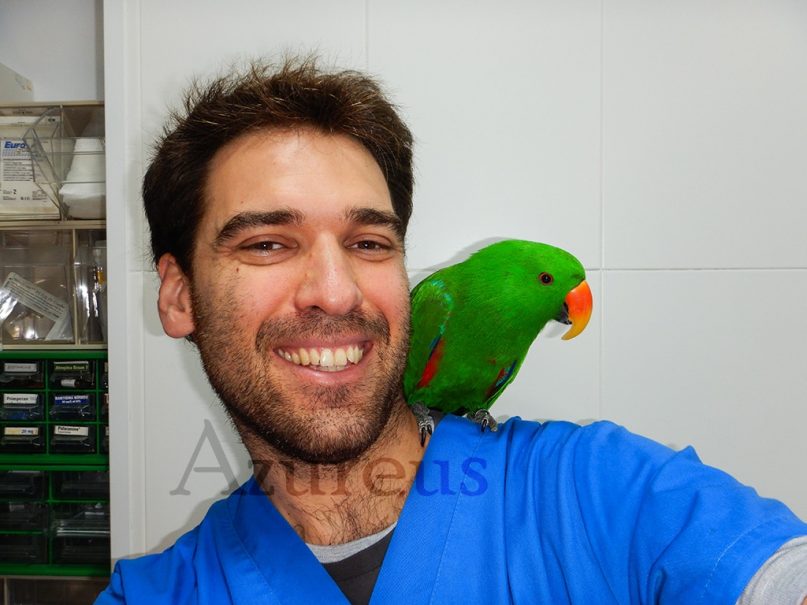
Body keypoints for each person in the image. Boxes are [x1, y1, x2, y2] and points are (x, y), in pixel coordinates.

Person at [96, 56, 807, 605]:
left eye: (369, 243)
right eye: (267, 243)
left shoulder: (602, 488)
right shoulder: (157, 590)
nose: (334, 289)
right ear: (179, 295)